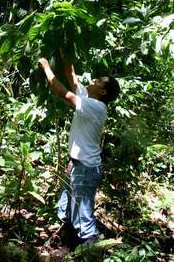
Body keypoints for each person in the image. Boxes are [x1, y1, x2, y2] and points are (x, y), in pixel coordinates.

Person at [38, 56, 120, 247]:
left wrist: (45, 67)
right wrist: (64, 47)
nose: (92, 80)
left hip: (85, 168)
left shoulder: (96, 106)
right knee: (66, 207)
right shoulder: (88, 98)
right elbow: (70, 75)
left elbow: (62, 92)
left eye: (97, 81)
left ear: (102, 91)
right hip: (77, 164)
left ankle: (91, 248)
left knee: (83, 215)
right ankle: (67, 245)